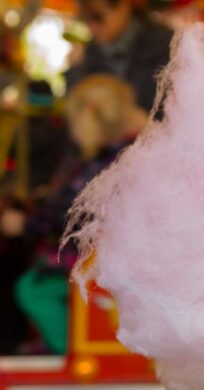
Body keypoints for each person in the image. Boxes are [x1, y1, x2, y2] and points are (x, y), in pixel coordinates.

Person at [13, 74, 147, 354]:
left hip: (95, 259)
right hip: (107, 254)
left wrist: (26, 222)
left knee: (33, 288)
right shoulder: (125, 153)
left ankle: (67, 347)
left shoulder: (102, 164)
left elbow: (68, 213)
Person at [65, 0, 173, 113]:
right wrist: (75, 70)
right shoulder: (88, 55)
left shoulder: (165, 44)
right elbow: (76, 111)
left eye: (97, 17)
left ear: (124, 5)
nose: (92, 27)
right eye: (85, 20)